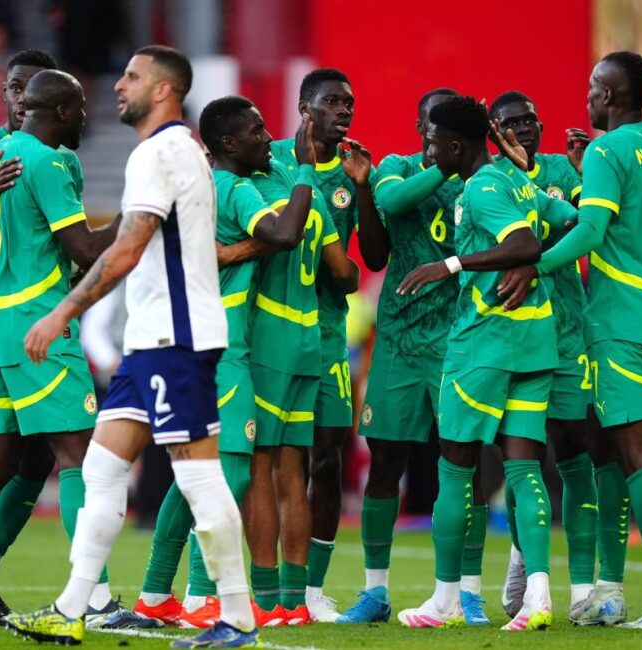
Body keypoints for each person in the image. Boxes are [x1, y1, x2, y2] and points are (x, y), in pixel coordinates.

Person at [7, 47, 258, 649]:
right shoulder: (176, 151)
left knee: (199, 477)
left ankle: (237, 617)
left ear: (164, 91)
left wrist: (62, 311)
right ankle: (72, 608)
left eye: (132, 76)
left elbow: (125, 248)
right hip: (150, 342)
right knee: (100, 468)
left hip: (175, 340)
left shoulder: (161, 152)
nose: (118, 85)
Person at [0, 49, 126, 627]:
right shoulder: (7, 157)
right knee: (75, 454)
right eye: (13, 86)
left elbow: (61, 251)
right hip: (24, 322)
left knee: (6, 458)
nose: (18, 96)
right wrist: (141, 214)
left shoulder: (15, 154)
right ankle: (94, 599)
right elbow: (81, 247)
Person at [498, 51, 642, 630]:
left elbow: (589, 230)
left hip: (618, 321)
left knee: (636, 452)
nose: (587, 95)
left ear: (610, 95)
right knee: (610, 452)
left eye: (593, 86)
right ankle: (608, 592)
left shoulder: (608, 152)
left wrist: (535, 264)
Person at [133, 96, 353, 628]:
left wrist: (237, 252)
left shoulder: (228, 185)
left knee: (203, 473)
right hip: (219, 347)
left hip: (221, 343)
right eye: (257, 131)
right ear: (228, 143)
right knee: (228, 475)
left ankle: (157, 594)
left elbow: (283, 245)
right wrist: (305, 173)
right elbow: (284, 234)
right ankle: (198, 594)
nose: (267, 138)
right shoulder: (231, 187)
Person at [394, 96, 576, 631]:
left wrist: (449, 264)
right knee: (524, 469)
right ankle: (539, 596)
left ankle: (446, 601)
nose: (429, 152)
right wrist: (534, 263)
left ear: (456, 146)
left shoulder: (482, 187)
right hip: (535, 341)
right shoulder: (518, 180)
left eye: (434, 143)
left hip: (484, 343)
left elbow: (523, 242)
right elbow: (570, 218)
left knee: (455, 469)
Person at [339, 86, 492, 626]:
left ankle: (467, 593)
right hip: (399, 341)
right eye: (429, 125)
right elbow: (394, 204)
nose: (434, 136)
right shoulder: (395, 169)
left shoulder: (481, 179)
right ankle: (374, 592)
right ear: (418, 127)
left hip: (459, 338)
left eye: (445, 130)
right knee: (385, 463)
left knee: (464, 465)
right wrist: (445, 166)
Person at [267, 68, 377, 621]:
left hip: (328, 334)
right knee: (261, 460)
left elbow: (372, 259)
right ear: (304, 108)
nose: (344, 111)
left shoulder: (353, 172)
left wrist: (365, 190)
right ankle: (257, 583)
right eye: (332, 101)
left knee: (327, 460)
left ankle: (311, 588)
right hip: (270, 334)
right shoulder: (269, 162)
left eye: (348, 103)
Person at [488, 91, 600, 621]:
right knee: (523, 459)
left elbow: (587, 222)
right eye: (512, 121)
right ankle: (522, 557)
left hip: (569, 334)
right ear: (495, 130)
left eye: (531, 118)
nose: (525, 127)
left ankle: (582, 588)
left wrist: (585, 174)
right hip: (517, 335)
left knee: (575, 457)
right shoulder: (490, 178)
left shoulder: (561, 169)